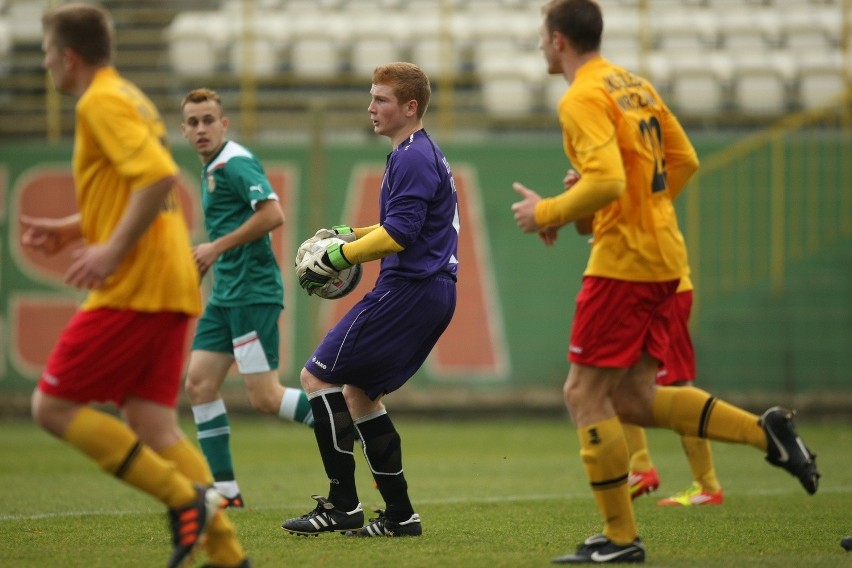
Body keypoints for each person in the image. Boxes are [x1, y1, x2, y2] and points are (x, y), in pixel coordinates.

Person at [511, 1, 819, 564]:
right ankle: (765, 432)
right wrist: (633, 208)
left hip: (624, 263)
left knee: (583, 393)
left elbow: (603, 181)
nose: (539, 47)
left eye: (541, 37)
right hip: (665, 259)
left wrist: (549, 212)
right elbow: (684, 160)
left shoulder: (582, 96)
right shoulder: (635, 85)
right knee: (631, 398)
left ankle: (622, 540)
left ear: (558, 41)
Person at [23, 4, 248, 568]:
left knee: (51, 407)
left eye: (48, 52)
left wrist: (109, 250)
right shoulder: (128, 96)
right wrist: (77, 228)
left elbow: (156, 179)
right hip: (168, 277)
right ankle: (227, 554)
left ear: (68, 57)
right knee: (152, 424)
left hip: (136, 281)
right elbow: (141, 185)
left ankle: (184, 499)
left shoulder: (100, 102)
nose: (45, 62)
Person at [281, 61, 459, 538]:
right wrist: (350, 233)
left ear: (410, 106)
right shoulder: (416, 152)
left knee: (316, 378)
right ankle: (400, 516)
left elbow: (400, 235)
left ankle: (343, 506)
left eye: (381, 99)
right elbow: (403, 226)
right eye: (372, 97)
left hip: (409, 290)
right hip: (427, 291)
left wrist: (340, 255)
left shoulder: (412, 156)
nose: (371, 107)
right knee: (359, 394)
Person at [180, 87, 314, 509]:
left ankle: (344, 419)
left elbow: (273, 214)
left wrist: (215, 248)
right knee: (199, 384)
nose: (201, 129)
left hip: (252, 295)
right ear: (184, 129)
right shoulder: (212, 167)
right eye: (193, 122)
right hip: (225, 298)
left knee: (265, 398)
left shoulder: (235, 162)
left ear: (223, 124)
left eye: (208, 121)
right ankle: (225, 490)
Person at [564, 169, 724, 507]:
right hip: (641, 286)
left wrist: (558, 208)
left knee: (678, 383)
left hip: (662, 287)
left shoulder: (625, 166)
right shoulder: (618, 168)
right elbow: (592, 226)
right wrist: (582, 197)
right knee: (614, 378)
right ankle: (640, 468)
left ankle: (707, 484)